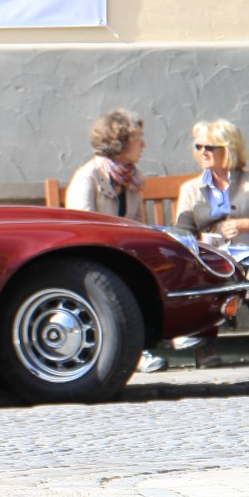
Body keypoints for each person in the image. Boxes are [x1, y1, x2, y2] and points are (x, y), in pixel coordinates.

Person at [64, 109, 167, 373]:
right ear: (119, 142)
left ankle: (165, 341)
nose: (143, 145)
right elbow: (82, 231)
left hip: (121, 255)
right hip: (92, 260)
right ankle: (137, 353)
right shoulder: (88, 177)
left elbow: (139, 226)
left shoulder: (132, 177)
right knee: (127, 279)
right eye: (138, 139)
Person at [174, 119, 249, 364]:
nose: (203, 152)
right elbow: (182, 233)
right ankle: (206, 345)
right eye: (199, 146)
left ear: (229, 149)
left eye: (210, 147)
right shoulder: (191, 189)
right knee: (209, 275)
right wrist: (200, 240)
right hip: (215, 257)